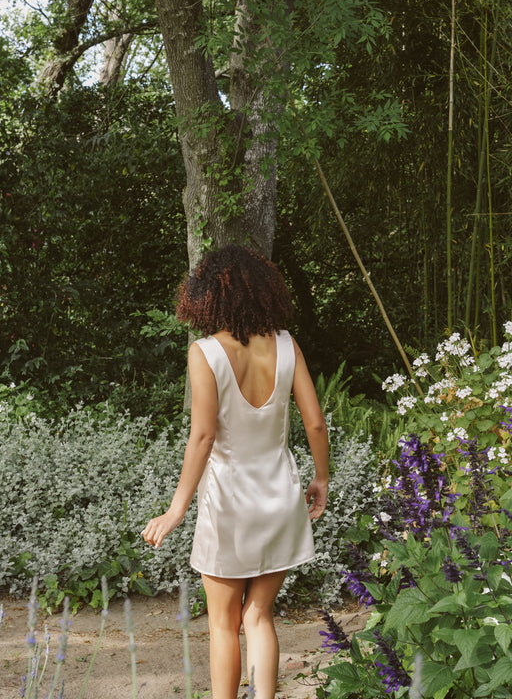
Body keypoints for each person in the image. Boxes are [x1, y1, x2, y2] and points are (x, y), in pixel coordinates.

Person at [141, 244, 329, 699]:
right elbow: (316, 422)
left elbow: (203, 437)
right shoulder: (286, 343)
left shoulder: (205, 353)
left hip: (229, 505)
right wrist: (322, 478)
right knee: (259, 617)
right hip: (280, 500)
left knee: (224, 624)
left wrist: (175, 508)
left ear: (208, 297)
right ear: (261, 293)